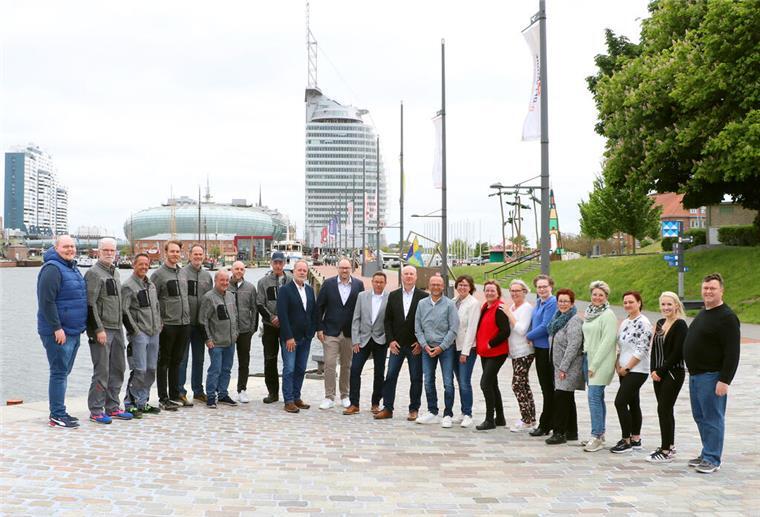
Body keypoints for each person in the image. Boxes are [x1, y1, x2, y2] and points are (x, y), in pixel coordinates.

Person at [683, 273, 740, 474]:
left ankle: (713, 458)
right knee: (700, 416)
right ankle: (707, 452)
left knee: (713, 417)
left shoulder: (727, 317)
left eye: (712, 288)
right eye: (705, 288)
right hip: (696, 376)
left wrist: (725, 380)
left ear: (721, 291)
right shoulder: (704, 313)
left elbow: (732, 352)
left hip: (712, 376)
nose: (708, 292)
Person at [37, 235, 88, 428]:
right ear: (56, 248)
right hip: (59, 332)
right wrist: (56, 328)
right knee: (58, 372)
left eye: (72, 246)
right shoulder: (52, 269)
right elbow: (46, 302)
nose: (70, 249)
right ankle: (57, 415)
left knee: (63, 373)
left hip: (73, 331)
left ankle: (60, 411)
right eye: (66, 246)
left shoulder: (71, 267)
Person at [84, 237, 132, 424]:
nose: (109, 253)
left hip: (116, 327)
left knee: (118, 368)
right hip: (102, 330)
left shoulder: (115, 273)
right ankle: (96, 409)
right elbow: (90, 304)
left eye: (112, 250)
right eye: (106, 250)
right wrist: (98, 329)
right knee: (102, 370)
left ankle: (112, 407)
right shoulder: (94, 273)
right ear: (98, 251)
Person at [374, 265, 428, 421]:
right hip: (396, 345)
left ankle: (414, 409)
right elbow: (388, 321)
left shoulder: (423, 297)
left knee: (416, 378)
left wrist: (420, 342)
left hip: (414, 345)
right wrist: (390, 341)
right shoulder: (393, 295)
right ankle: (388, 408)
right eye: (406, 274)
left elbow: (426, 322)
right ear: (402, 277)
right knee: (390, 376)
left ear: (416, 277)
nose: (409, 276)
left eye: (411, 274)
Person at [316, 258, 364, 409]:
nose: (344, 270)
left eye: (347, 268)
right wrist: (319, 328)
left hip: (350, 332)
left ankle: (345, 395)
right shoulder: (328, 284)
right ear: (338, 268)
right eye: (342, 268)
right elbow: (319, 307)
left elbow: (362, 308)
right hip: (331, 331)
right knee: (329, 364)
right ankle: (329, 396)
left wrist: (361, 331)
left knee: (346, 365)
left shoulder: (358, 285)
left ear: (352, 269)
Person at [646, 291, 687, 463]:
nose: (666, 308)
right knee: (665, 409)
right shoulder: (660, 323)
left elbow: (678, 352)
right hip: (658, 374)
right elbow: (655, 349)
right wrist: (653, 371)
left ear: (676, 305)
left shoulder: (680, 325)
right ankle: (669, 445)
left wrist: (661, 371)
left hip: (673, 372)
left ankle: (665, 450)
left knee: (663, 408)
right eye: (663, 304)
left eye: (669, 304)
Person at [610, 291, 653, 454]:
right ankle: (636, 438)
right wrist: (618, 365)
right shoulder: (625, 322)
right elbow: (621, 346)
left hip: (637, 369)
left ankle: (626, 440)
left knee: (620, 402)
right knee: (633, 403)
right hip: (623, 369)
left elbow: (642, 349)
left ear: (639, 303)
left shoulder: (644, 322)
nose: (628, 305)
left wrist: (627, 367)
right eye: (625, 302)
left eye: (631, 302)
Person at [414, 274, 459, 427]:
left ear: (443, 286)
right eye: (433, 284)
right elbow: (418, 328)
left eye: (439, 284)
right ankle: (432, 411)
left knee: (448, 382)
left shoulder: (449, 304)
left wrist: (441, 347)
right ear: (428, 285)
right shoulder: (421, 304)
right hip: (427, 347)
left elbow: (453, 329)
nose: (435, 287)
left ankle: (448, 414)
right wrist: (424, 345)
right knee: (428, 381)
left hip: (445, 348)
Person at [151, 240, 191, 411]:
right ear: (165, 252)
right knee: (164, 361)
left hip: (183, 323)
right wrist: (159, 321)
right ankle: (163, 397)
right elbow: (154, 300)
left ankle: (175, 394)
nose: (175, 254)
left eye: (177, 251)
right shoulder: (158, 274)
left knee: (177, 360)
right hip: (168, 324)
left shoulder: (182, 273)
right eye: (172, 251)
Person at [122, 253, 162, 417]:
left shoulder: (151, 285)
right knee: (139, 370)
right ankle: (129, 403)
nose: (144, 267)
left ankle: (142, 402)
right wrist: (135, 331)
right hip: (139, 334)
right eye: (141, 264)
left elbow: (157, 307)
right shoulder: (128, 286)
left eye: (147, 264)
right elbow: (124, 311)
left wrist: (159, 324)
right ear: (134, 265)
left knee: (151, 369)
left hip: (154, 333)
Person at [344, 271, 389, 415]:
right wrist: (355, 340)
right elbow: (356, 319)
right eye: (376, 281)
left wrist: (388, 340)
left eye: (381, 282)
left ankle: (375, 403)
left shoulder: (390, 298)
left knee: (379, 373)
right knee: (355, 370)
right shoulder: (362, 296)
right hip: (362, 340)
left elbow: (390, 321)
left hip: (380, 340)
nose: (378, 284)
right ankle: (354, 403)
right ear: (372, 282)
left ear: (385, 283)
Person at [276, 260, 317, 413]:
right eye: (299, 270)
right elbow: (283, 315)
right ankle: (288, 400)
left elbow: (313, 313)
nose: (302, 272)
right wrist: (288, 337)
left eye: (304, 270)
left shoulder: (309, 290)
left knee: (301, 369)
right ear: (293, 272)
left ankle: (296, 396)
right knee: (289, 368)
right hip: (290, 339)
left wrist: (311, 333)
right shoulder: (285, 290)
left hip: (305, 338)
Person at [582, 280, 618, 452]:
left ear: (606, 297)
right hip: (588, 359)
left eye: (600, 295)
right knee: (597, 398)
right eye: (594, 294)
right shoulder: (590, 313)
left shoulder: (608, 315)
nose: (597, 298)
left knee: (594, 398)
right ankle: (600, 434)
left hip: (600, 363)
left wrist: (594, 365)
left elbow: (607, 341)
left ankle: (596, 436)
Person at [545, 289, 584, 445]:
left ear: (572, 303)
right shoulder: (558, 318)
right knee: (568, 398)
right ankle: (572, 431)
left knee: (561, 398)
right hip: (559, 366)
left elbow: (573, 346)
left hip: (569, 367)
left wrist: (563, 368)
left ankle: (559, 432)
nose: (562, 304)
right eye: (560, 301)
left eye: (566, 301)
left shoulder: (574, 320)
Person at [178, 244, 213, 405]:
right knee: (182, 359)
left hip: (200, 325)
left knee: (199, 359)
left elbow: (212, 300)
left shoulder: (207, 276)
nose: (198, 257)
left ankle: (198, 390)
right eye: (195, 254)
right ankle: (180, 391)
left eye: (200, 254)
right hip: (185, 323)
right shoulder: (182, 273)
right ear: (189, 255)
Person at [256, 251, 292, 404]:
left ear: (284, 263)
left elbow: (295, 302)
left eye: (280, 262)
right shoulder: (263, 282)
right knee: (270, 359)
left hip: (287, 327)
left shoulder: (290, 280)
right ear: (271, 263)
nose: (278, 265)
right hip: (270, 326)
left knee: (289, 361)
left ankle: (289, 393)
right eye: (275, 262)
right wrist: (271, 317)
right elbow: (259, 304)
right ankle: (272, 392)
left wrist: (284, 318)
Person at [200, 269, 239, 408]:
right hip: (215, 342)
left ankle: (223, 394)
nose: (225, 283)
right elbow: (203, 320)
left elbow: (235, 315)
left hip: (230, 341)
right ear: (216, 281)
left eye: (227, 280)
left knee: (227, 369)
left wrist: (236, 333)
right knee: (215, 369)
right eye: (222, 280)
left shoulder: (230, 296)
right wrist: (208, 339)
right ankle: (211, 396)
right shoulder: (208, 297)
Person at [475, 280, 510, 431]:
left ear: (498, 293)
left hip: (497, 352)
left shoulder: (499, 308)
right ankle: (500, 418)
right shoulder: (485, 307)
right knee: (492, 384)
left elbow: (505, 331)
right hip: (485, 352)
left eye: (492, 291)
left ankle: (490, 419)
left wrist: (491, 343)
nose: (489, 293)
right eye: (487, 290)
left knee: (485, 384)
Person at [526, 274, 558, 437]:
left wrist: (528, 336)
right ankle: (548, 422)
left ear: (551, 286)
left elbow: (546, 326)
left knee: (547, 388)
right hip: (538, 348)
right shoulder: (539, 302)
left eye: (545, 286)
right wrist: (531, 333)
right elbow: (534, 321)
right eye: (539, 287)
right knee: (544, 387)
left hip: (547, 349)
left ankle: (545, 424)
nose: (542, 289)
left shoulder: (552, 303)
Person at [503, 279, 536, 432]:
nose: (515, 293)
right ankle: (531, 418)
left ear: (524, 292)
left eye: (518, 290)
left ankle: (526, 418)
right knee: (523, 384)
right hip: (515, 352)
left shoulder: (526, 308)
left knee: (516, 384)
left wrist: (509, 314)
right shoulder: (513, 307)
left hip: (525, 351)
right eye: (512, 290)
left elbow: (522, 330)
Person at [452, 275, 480, 428]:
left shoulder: (473, 303)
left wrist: (465, 352)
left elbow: (471, 329)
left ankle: (468, 413)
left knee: (464, 381)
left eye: (466, 285)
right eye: (460, 284)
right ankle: (463, 411)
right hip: (453, 347)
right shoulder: (453, 302)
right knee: (459, 381)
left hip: (466, 349)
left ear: (470, 287)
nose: (462, 287)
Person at [229, 261, 258, 403]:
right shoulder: (224, 285)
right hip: (227, 330)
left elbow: (254, 309)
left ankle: (242, 390)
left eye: (241, 269)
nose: (239, 271)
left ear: (244, 271)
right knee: (225, 361)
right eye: (236, 269)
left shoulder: (250, 288)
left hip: (245, 330)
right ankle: (221, 390)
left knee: (244, 361)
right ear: (232, 270)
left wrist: (252, 328)